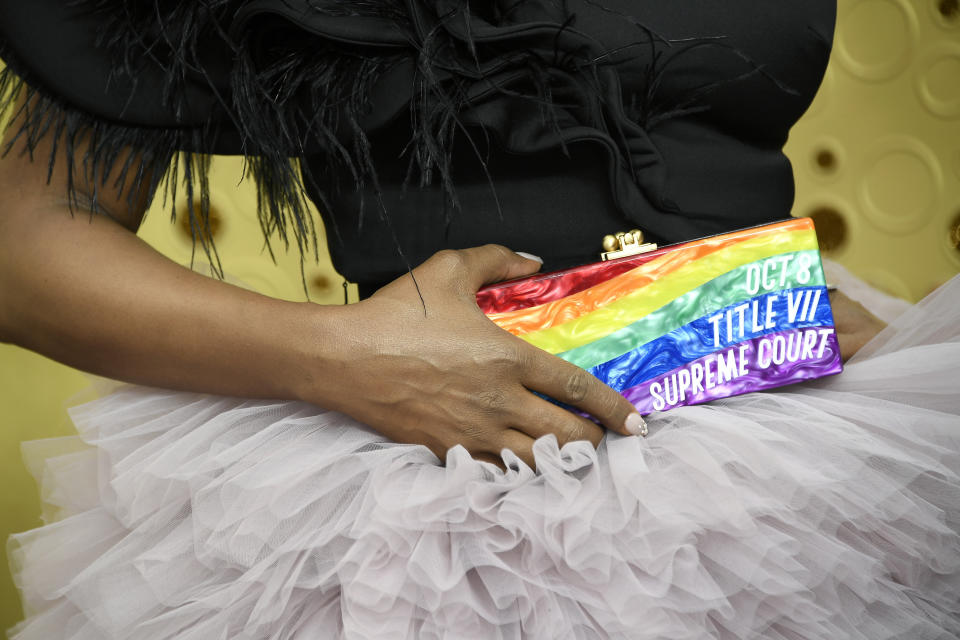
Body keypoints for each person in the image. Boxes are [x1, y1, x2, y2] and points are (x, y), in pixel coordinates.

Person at [1, 1, 958, 638]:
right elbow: (23, 243)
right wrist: (332, 358)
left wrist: (781, 305)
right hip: (433, 496)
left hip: (793, 461)